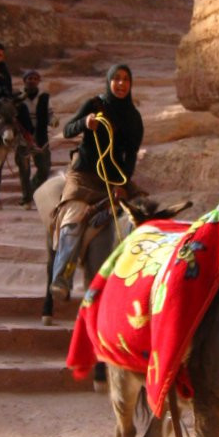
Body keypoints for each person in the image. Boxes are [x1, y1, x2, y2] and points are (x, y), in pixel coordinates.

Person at [50, 63, 144, 301]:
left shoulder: (134, 117)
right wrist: (85, 123)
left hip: (112, 181)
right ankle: (62, 277)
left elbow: (131, 155)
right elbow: (68, 129)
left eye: (126, 80)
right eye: (117, 79)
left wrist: (123, 183)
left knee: (143, 215)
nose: (121, 84)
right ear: (109, 81)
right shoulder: (94, 105)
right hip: (83, 177)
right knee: (72, 223)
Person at [16, 69, 55, 192]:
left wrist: (53, 120)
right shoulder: (17, 97)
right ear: (24, 81)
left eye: (35, 79)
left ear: (38, 81)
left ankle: (32, 189)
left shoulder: (44, 97)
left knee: (44, 168)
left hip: (40, 136)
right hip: (23, 137)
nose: (32, 81)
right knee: (24, 169)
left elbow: (50, 114)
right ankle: (26, 197)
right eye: (29, 79)